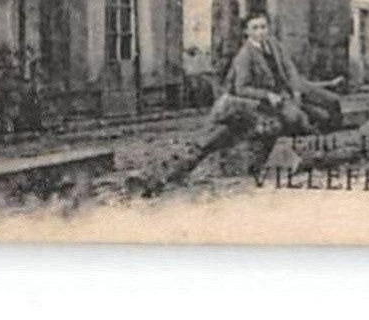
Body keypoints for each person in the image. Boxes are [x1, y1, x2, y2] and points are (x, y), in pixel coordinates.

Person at [146, 12, 341, 190]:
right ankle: (170, 174)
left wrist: (306, 90)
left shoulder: (274, 46)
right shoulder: (245, 55)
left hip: (276, 100)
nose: (260, 32)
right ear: (247, 32)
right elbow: (241, 88)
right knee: (286, 121)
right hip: (242, 105)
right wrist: (267, 96)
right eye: (255, 28)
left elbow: (290, 73)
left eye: (263, 26)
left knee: (319, 114)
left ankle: (299, 154)